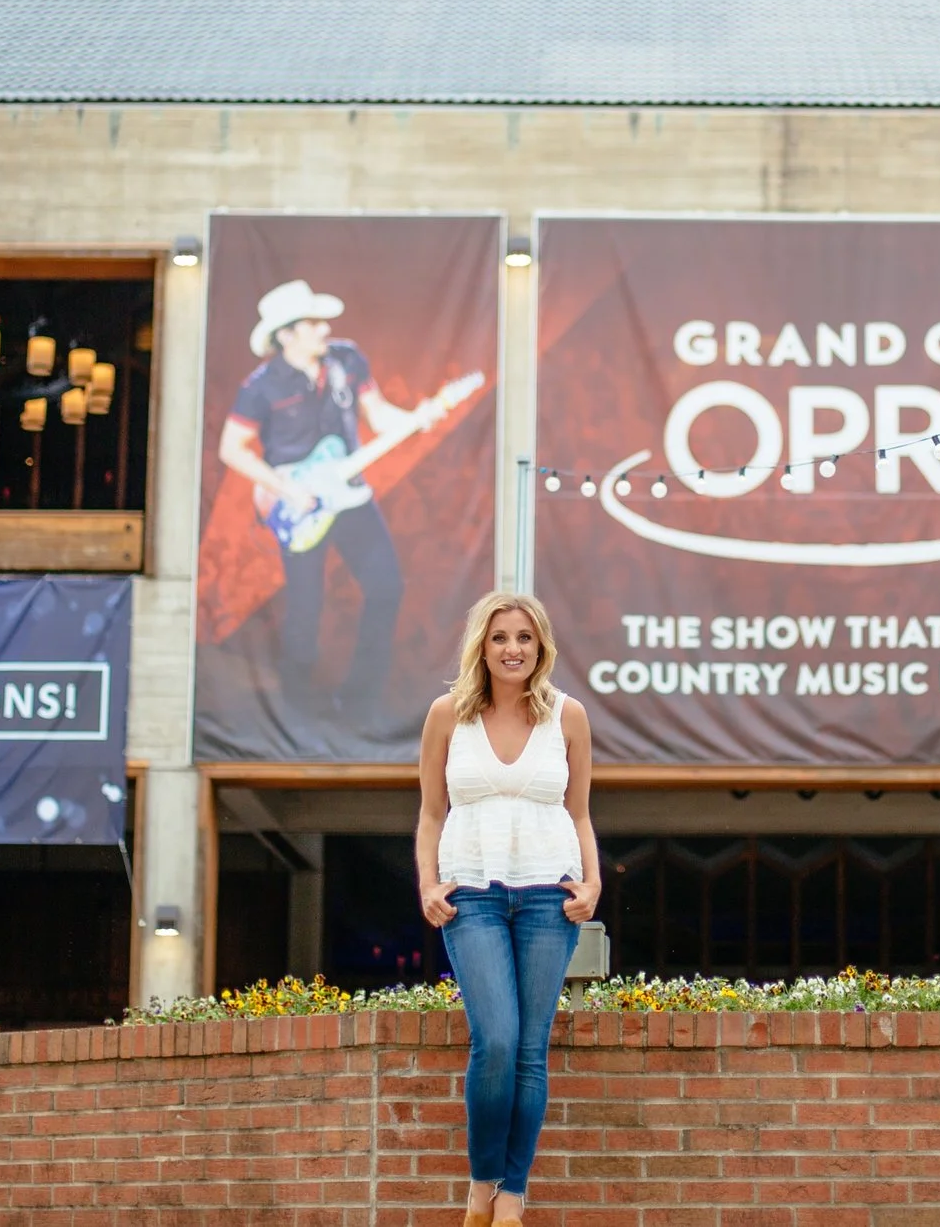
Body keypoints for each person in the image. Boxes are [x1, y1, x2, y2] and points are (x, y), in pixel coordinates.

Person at [417, 593, 600, 1227]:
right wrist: (428, 883)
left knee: (529, 1049)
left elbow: (579, 812)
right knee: (495, 1042)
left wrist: (592, 881)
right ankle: (482, 1183)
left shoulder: (568, 717)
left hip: (551, 896)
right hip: (472, 896)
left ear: (541, 645)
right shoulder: (447, 716)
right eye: (500, 637)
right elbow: (431, 813)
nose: (513, 647)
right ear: (482, 646)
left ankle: (513, 1198)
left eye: (525, 636)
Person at [217, 279, 442, 709]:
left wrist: (418, 418)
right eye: (313, 322)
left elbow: (377, 415)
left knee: (386, 587)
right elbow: (231, 447)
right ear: (286, 334)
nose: (324, 328)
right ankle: (297, 711)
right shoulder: (261, 385)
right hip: (298, 504)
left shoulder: (347, 360)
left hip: (350, 494)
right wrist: (285, 488)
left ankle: (359, 700)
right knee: (305, 609)